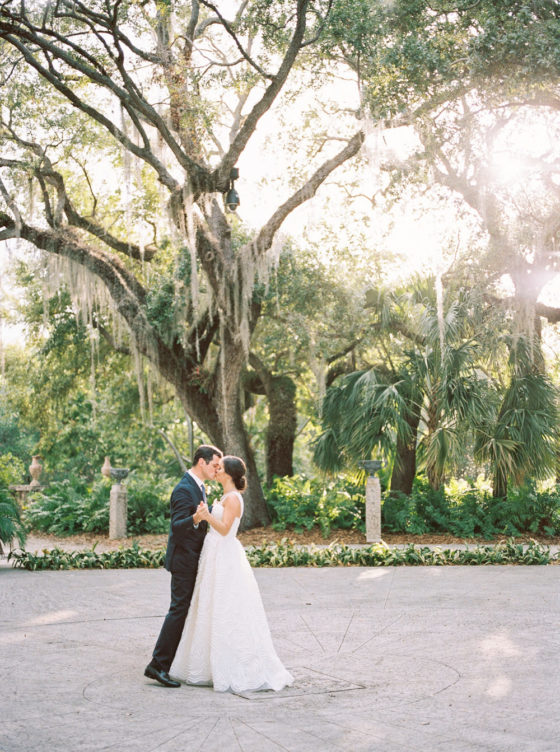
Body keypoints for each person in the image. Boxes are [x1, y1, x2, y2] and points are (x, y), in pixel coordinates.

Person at [169, 455, 293, 692]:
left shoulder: (234, 498)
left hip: (224, 555)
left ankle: (233, 665)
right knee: (210, 606)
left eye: (220, 467)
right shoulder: (225, 496)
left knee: (227, 607)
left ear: (228, 474)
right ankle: (206, 664)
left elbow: (226, 530)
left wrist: (205, 516)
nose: (216, 469)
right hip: (213, 554)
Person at [144, 444, 222, 688]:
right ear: (202, 462)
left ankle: (165, 661)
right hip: (183, 560)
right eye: (214, 465)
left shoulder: (198, 487)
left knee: (182, 610)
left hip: (192, 558)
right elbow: (177, 526)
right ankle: (157, 665)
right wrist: (197, 518)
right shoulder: (183, 489)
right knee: (178, 610)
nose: (217, 469)